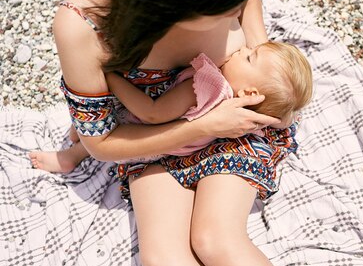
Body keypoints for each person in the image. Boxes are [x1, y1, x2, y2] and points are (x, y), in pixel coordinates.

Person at [48, 0, 301, 266]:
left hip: (235, 121)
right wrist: (201, 127)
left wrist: (260, 51)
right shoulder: (85, 27)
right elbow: (101, 143)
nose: (238, 11)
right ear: (172, 4)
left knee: (216, 240)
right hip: (156, 138)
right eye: (227, 8)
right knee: (163, 257)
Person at [29, 41, 313, 177]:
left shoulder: (206, 89)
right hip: (180, 146)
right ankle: (76, 134)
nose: (242, 49)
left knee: (109, 120)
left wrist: (111, 78)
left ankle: (70, 157)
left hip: (150, 138)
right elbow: (281, 119)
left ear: (249, 91)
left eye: (249, 57)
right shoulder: (253, 111)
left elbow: (153, 112)